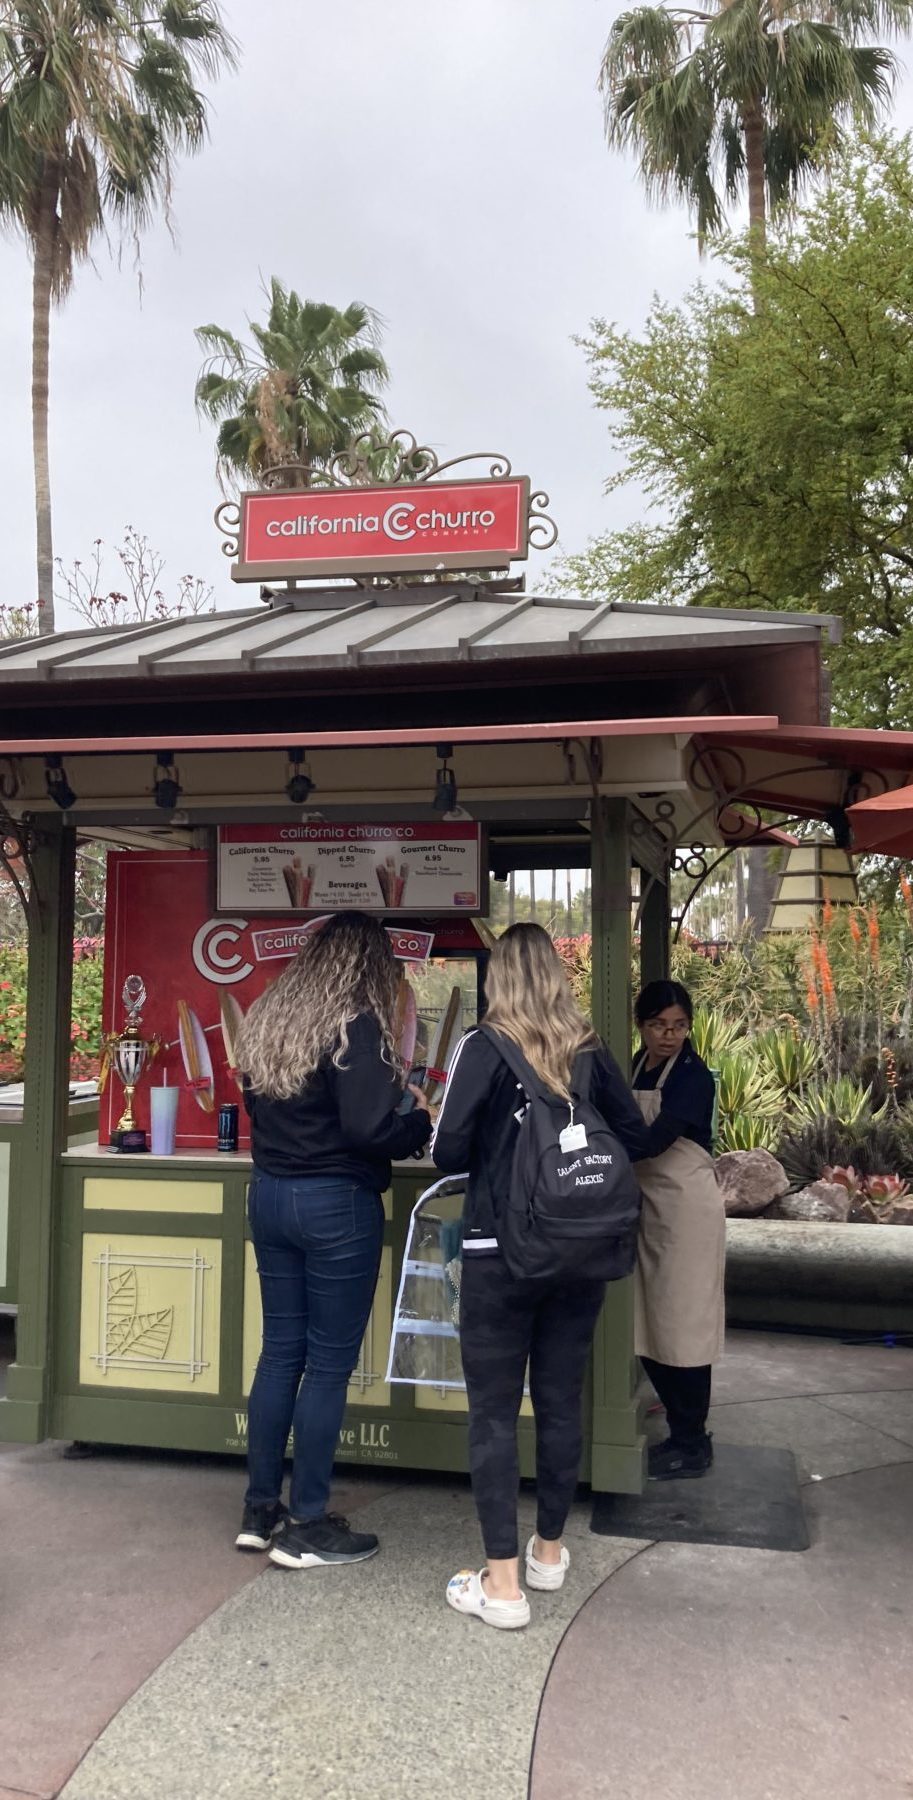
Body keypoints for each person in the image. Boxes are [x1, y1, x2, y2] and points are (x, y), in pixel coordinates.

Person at [431, 922, 649, 1630]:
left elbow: (446, 1151)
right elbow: (633, 1135)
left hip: (498, 1253)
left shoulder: (483, 1046)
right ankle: (548, 1553)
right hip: (578, 1255)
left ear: (496, 978)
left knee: (494, 1413)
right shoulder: (587, 1048)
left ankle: (500, 1586)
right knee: (559, 1401)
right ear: (556, 975)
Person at [235, 912, 432, 1568]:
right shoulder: (356, 1025)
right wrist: (419, 1124)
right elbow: (368, 1130)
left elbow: (257, 1105)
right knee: (325, 1366)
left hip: (270, 1195)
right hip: (336, 1206)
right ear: (370, 964)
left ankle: (260, 1509)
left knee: (278, 1354)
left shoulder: (269, 1015)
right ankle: (309, 1524)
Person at [632, 979, 725, 1481]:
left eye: (679, 1026)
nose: (669, 1035)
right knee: (649, 1322)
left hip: (686, 1211)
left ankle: (692, 1441)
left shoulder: (692, 1076)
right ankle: (680, 1427)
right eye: (659, 1025)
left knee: (684, 1326)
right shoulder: (636, 1064)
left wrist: (596, 1151)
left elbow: (656, 1139)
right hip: (648, 1207)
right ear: (641, 1026)